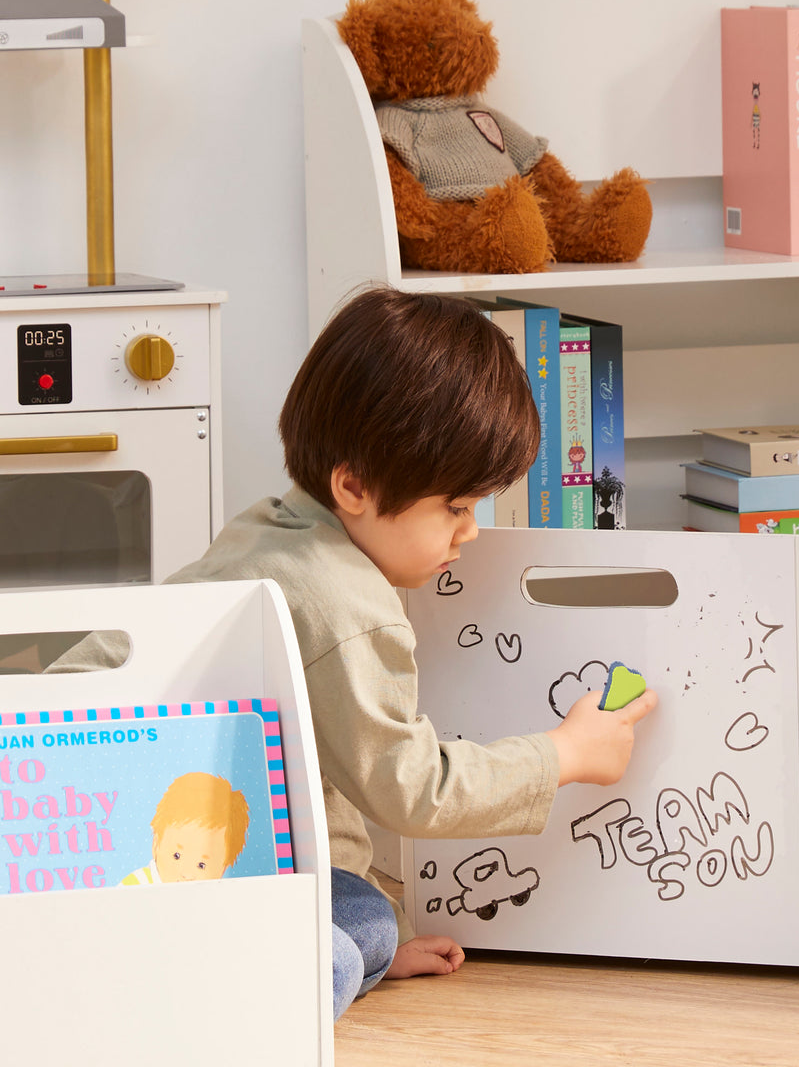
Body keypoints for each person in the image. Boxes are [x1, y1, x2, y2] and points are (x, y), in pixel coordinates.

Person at [52, 286, 657, 1020]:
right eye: (457, 508)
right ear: (355, 486)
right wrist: (564, 754)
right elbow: (409, 786)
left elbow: (321, 774)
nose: (467, 535)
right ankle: (199, 1011)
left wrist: (387, 940)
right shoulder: (346, 608)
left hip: (119, 805)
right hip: (107, 844)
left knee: (366, 920)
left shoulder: (278, 528)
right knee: (336, 953)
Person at [120, 771, 251, 885]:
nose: (187, 875)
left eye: (201, 865)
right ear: (156, 845)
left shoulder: (215, 895)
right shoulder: (137, 885)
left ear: (222, 869)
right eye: (176, 856)